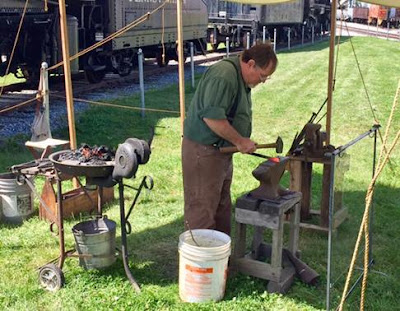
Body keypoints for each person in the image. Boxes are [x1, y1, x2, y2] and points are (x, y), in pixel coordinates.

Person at [181, 43, 278, 236]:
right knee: (202, 209)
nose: (263, 81)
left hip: (220, 153)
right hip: (204, 152)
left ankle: (221, 261)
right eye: (262, 76)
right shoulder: (224, 76)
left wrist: (238, 141)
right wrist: (240, 141)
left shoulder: (239, 77)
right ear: (251, 64)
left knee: (221, 206)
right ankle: (203, 262)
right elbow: (212, 118)